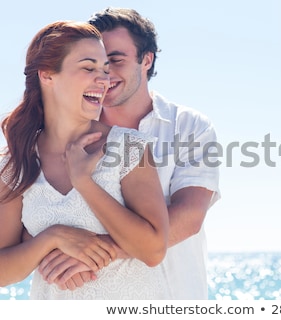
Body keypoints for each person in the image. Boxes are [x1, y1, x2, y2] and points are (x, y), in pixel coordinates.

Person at [38, 7, 221, 299]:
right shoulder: (65, 134)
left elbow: (189, 216)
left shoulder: (189, 126)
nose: (104, 73)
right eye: (93, 63)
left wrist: (94, 251)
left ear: (146, 60)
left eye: (115, 60)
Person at [0, 20, 171, 299]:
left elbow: (153, 250)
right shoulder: (17, 162)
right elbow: (3, 272)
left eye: (105, 69)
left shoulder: (128, 147)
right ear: (47, 75)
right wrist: (52, 237)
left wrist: (84, 182)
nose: (103, 80)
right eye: (89, 68)